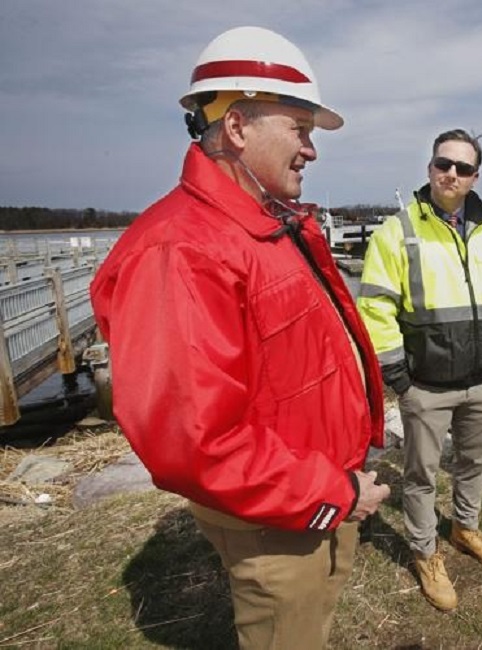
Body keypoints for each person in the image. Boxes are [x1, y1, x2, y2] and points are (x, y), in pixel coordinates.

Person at [90, 26, 390, 649]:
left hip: (309, 490)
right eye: (300, 128)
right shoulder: (182, 248)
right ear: (237, 127)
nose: (311, 150)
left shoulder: (263, 226)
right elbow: (194, 440)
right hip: (278, 513)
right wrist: (332, 491)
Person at [357, 129, 482, 611]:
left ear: (477, 176)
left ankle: (465, 528)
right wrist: (399, 377)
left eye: (463, 168)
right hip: (426, 386)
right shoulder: (399, 231)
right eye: (443, 164)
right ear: (430, 168)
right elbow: (375, 309)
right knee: (421, 475)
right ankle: (425, 552)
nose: (452, 174)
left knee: (474, 464)